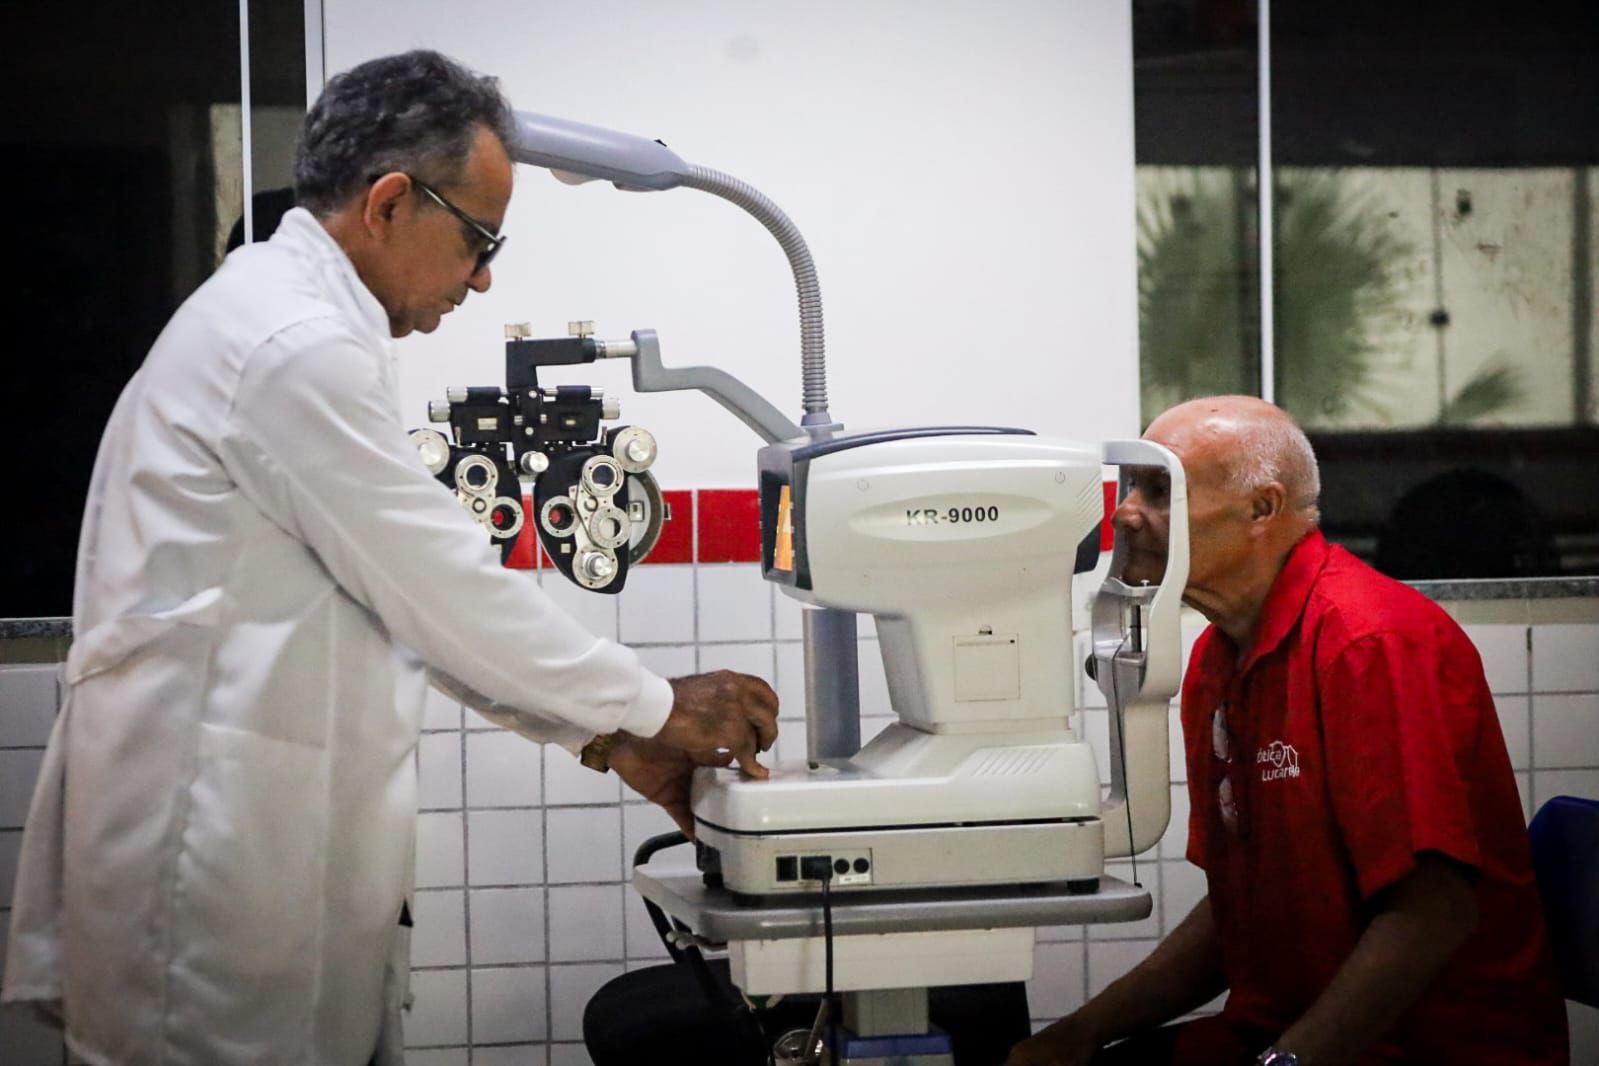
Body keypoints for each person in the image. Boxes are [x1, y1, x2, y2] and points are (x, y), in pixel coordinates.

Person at [2, 50, 778, 1066]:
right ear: (390, 203)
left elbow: (396, 603)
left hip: (249, 856)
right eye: (479, 239)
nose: (484, 276)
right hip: (206, 881)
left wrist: (607, 737)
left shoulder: (288, 320)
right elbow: (440, 588)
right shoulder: (289, 344)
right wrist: (655, 705)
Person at [1008, 395, 1567, 1066]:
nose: (1125, 513)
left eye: (1159, 490)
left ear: (1261, 509)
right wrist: (1078, 1033)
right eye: (1130, 487)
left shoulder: (1368, 645)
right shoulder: (1219, 658)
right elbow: (1239, 908)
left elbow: (1431, 913)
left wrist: (1286, 1061)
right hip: (1273, 1029)